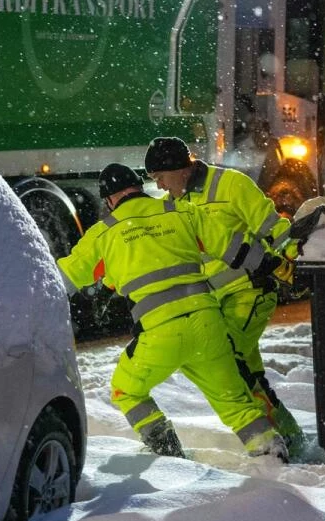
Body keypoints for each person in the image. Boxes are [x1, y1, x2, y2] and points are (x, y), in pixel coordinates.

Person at [58, 163, 288, 461]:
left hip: (159, 334)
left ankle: (167, 452)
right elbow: (235, 247)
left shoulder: (104, 234)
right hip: (208, 325)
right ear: (139, 188)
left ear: (109, 200)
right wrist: (275, 265)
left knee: (126, 390)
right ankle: (271, 452)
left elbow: (62, 280)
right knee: (237, 403)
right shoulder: (181, 211)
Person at [143, 137, 306, 456]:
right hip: (216, 302)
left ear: (180, 169)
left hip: (249, 292)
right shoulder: (175, 204)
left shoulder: (230, 185)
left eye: (161, 177)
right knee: (246, 371)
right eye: (154, 181)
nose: (160, 186)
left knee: (230, 364)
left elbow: (274, 227)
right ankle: (288, 436)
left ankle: (276, 440)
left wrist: (295, 262)